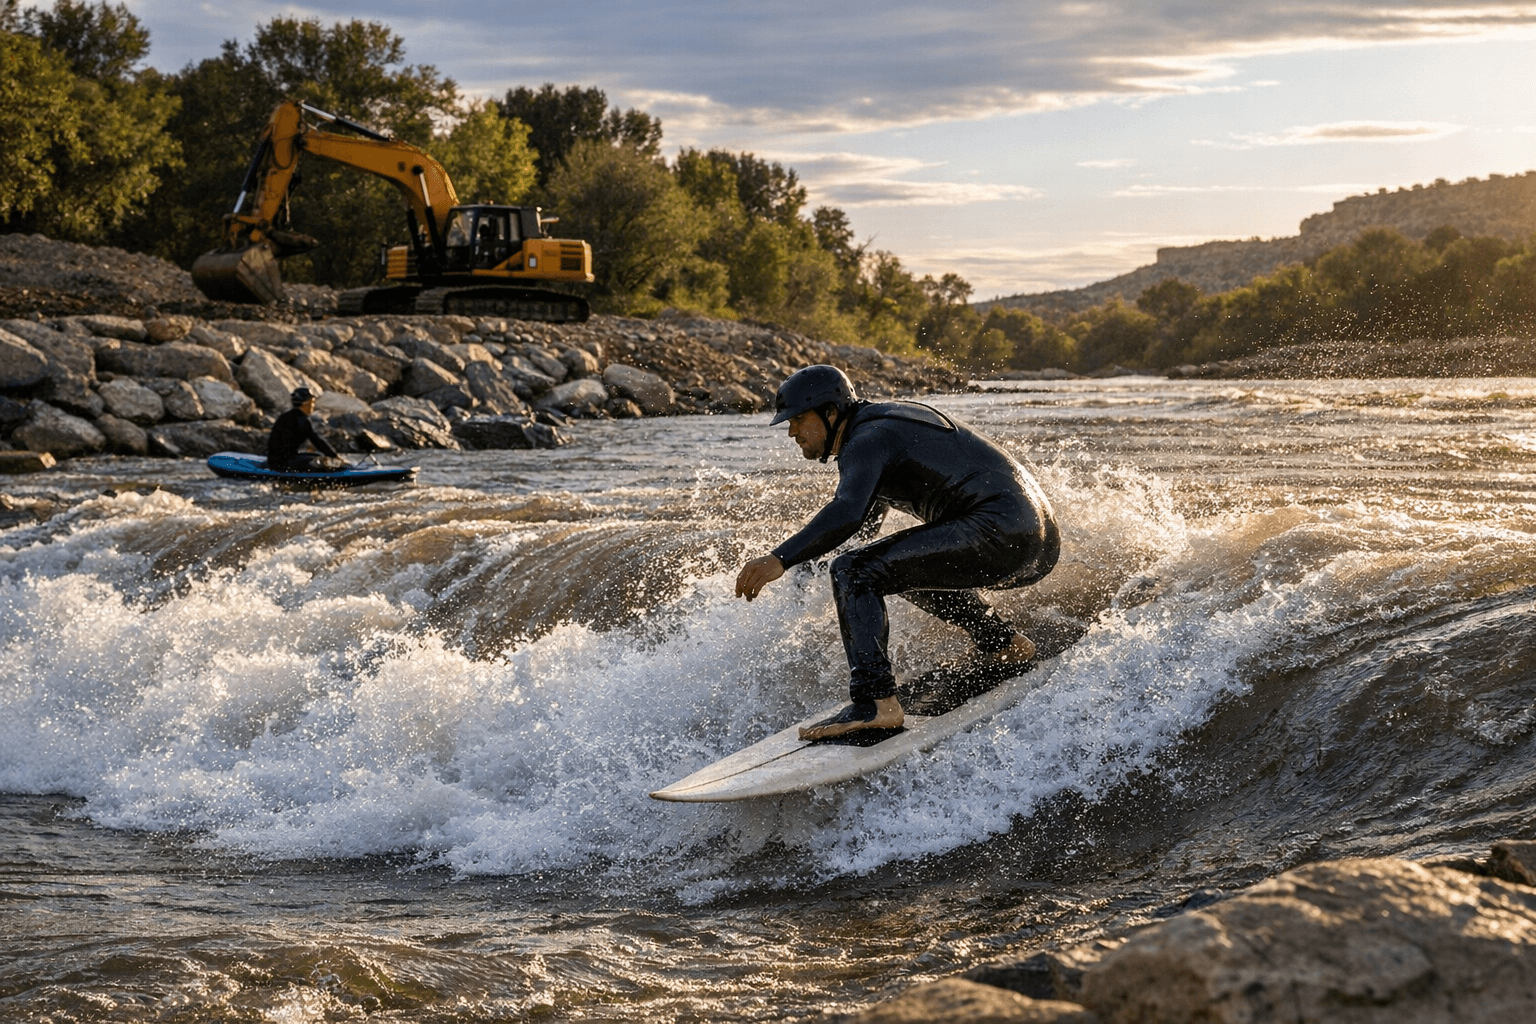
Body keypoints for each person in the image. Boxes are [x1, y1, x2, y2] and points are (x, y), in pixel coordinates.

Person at [735, 365, 1060, 741]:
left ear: (830, 411)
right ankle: (1004, 644)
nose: (792, 432)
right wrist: (813, 561)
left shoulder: (866, 439)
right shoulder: (883, 424)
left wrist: (780, 558)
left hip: (1004, 535)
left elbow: (846, 511)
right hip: (1034, 542)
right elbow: (865, 522)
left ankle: (876, 704)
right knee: (889, 566)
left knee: (855, 571)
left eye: (798, 420)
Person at [267, 387, 346, 472]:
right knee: (319, 460)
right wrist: (334, 456)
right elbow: (317, 441)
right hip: (282, 464)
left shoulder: (286, 416)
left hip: (275, 461)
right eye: (312, 402)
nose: (313, 405)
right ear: (305, 404)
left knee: (316, 455)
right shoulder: (301, 420)